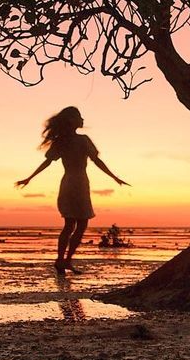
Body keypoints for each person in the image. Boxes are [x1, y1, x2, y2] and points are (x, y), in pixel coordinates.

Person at [15, 107, 129, 272]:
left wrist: (29, 178)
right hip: (78, 183)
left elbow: (48, 162)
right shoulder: (81, 140)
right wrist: (114, 177)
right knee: (78, 225)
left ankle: (62, 260)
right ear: (72, 121)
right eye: (79, 117)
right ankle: (64, 260)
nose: (82, 120)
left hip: (70, 182)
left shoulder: (64, 141)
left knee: (70, 225)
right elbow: (96, 161)